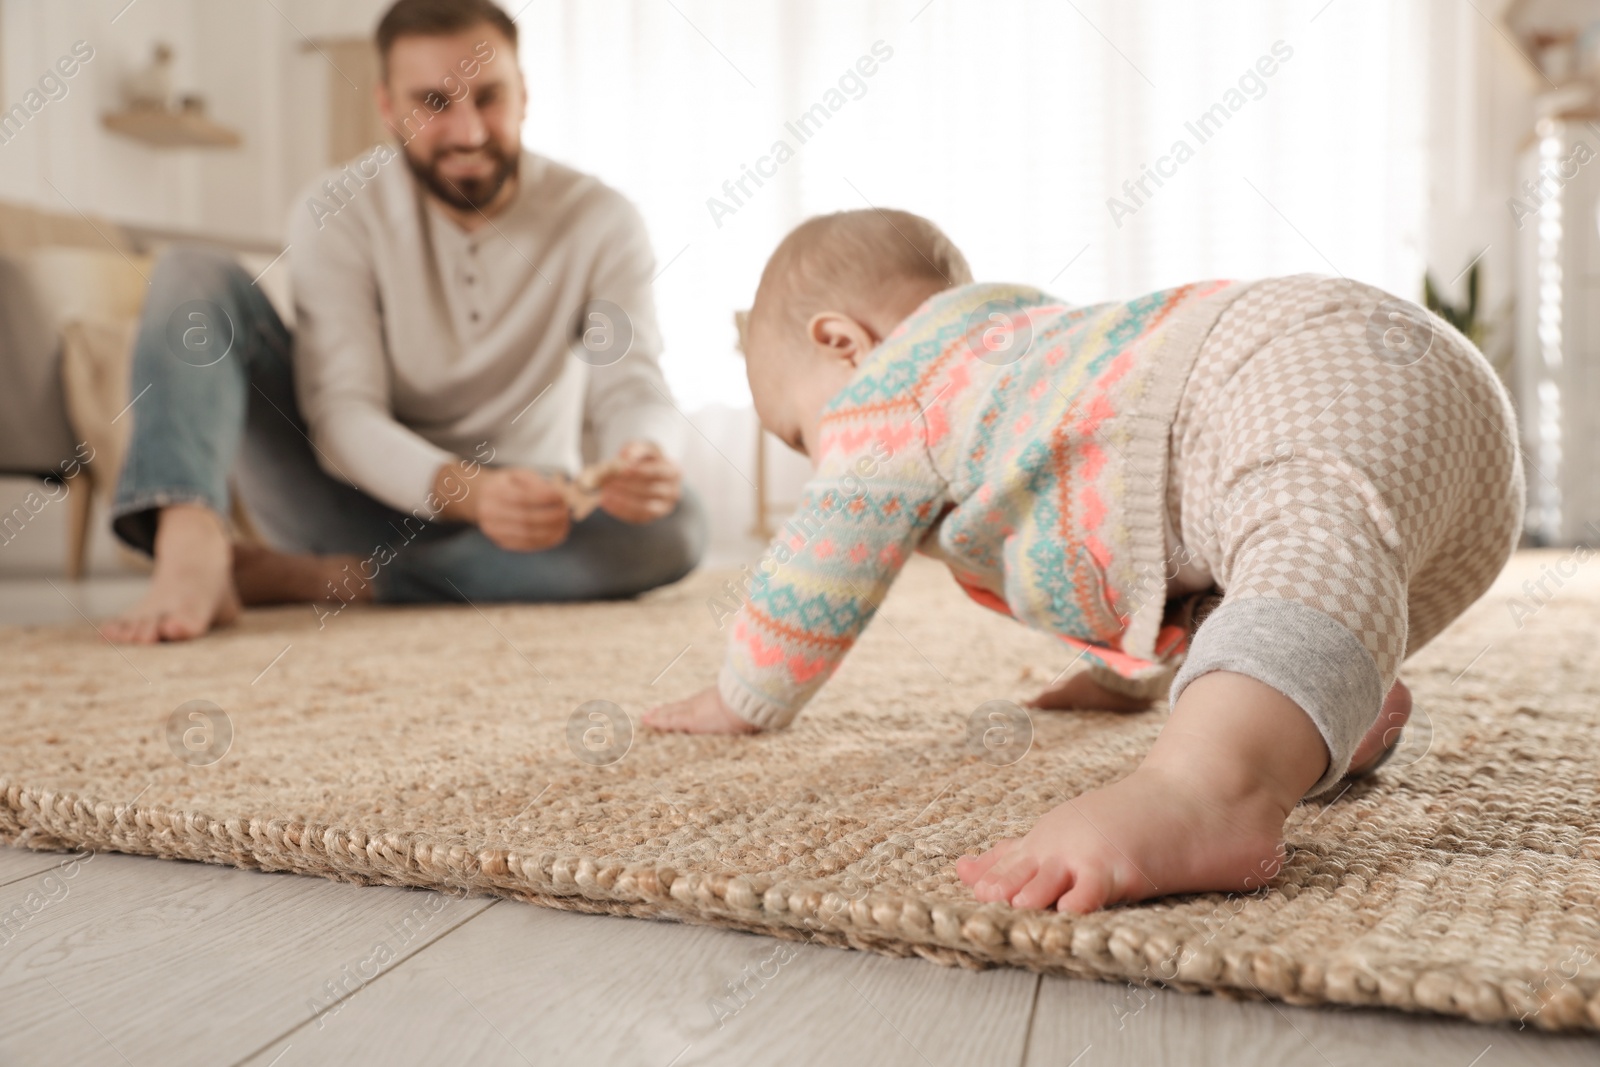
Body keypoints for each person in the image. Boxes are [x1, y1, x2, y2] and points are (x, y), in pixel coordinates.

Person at [645, 208, 1523, 915]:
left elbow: (816, 568)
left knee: (1306, 540)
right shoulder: (1032, 362)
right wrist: (1120, 680)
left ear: (843, 341)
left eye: (805, 434)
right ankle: (1326, 700)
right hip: (1463, 458)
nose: (823, 463)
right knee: (1294, 563)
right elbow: (1134, 541)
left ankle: (1211, 787)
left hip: (1293, 368)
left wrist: (742, 693)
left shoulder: (892, 389)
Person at [103, 0, 704, 644]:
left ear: (525, 95)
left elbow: (634, 384)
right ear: (388, 108)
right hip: (352, 499)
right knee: (191, 275)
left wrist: (641, 457)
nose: (470, 133)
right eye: (434, 103)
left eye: (490, 97)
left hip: (529, 517)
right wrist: (467, 490)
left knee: (677, 526)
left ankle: (334, 581)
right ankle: (189, 536)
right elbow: (341, 417)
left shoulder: (601, 220)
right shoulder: (337, 211)